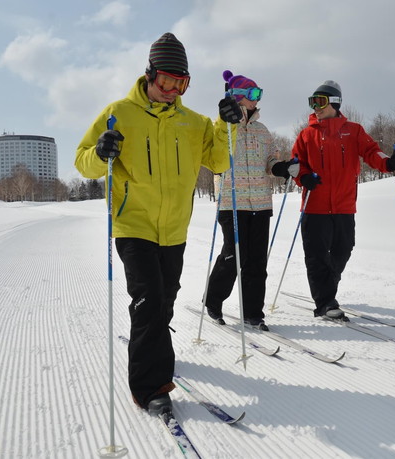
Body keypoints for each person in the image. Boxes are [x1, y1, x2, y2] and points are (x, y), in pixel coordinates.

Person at [75, 33, 242, 415]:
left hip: (174, 229)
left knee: (165, 298)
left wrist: (226, 125)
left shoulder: (194, 122)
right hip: (133, 224)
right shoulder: (120, 112)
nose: (171, 90)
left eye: (180, 83)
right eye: (166, 81)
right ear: (149, 75)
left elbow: (218, 162)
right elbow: (83, 160)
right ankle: (150, 387)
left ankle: (155, 351)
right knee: (149, 299)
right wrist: (101, 152)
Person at [292, 80, 395, 319]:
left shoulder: (353, 131)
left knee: (344, 249)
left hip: (344, 206)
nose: (315, 107)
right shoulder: (306, 134)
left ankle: (327, 287)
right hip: (315, 207)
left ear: (334, 103)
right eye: (312, 102)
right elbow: (296, 163)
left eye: (319, 102)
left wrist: (389, 163)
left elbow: (372, 152)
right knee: (316, 255)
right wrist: (303, 177)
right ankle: (325, 303)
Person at [204, 70, 298, 331]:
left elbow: (271, 161)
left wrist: (281, 167)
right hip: (231, 203)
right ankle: (213, 301)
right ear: (239, 97)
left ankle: (253, 312)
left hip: (260, 203)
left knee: (257, 261)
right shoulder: (221, 127)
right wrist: (226, 122)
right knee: (233, 256)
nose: (257, 99)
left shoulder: (262, 130)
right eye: (254, 94)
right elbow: (214, 156)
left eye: (259, 94)